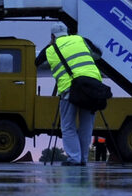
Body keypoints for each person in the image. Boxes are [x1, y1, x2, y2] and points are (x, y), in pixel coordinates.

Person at [36, 24, 103, 166]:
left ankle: (74, 159)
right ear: (67, 33)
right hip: (92, 88)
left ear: (52, 36)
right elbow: (98, 54)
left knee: (68, 126)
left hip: (69, 90)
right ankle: (83, 159)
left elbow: (37, 62)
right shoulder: (81, 40)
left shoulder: (51, 49)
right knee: (86, 126)